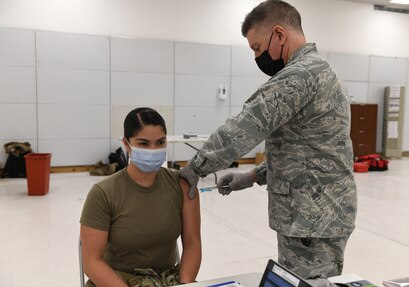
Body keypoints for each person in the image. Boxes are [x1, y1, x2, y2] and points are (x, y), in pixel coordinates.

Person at [179, 0, 357, 279]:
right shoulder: (321, 70)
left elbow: (245, 127)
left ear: (279, 34)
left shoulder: (300, 75)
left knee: (305, 283)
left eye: (257, 48)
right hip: (317, 214)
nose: (257, 57)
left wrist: (196, 168)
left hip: (310, 219)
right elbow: (310, 151)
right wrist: (253, 176)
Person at [80, 107, 201, 287]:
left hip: (168, 279)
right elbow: (91, 262)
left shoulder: (182, 186)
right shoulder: (104, 193)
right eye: (143, 144)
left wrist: (185, 285)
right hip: (116, 280)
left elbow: (192, 244)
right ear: (126, 143)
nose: (153, 149)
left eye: (160, 142)